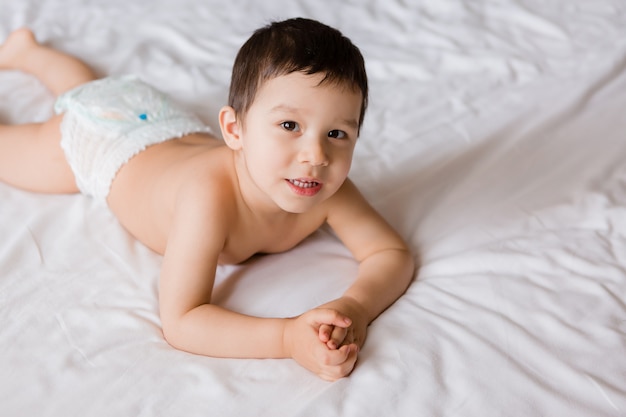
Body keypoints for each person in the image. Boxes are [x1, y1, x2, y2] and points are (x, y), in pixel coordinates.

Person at [0, 18, 414, 381]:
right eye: (290, 125)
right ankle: (31, 59)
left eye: (336, 134)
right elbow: (182, 320)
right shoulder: (208, 198)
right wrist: (287, 337)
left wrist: (356, 308)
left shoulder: (324, 187)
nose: (316, 156)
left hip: (163, 124)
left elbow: (390, 252)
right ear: (234, 130)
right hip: (106, 143)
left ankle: (27, 52)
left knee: (92, 89)